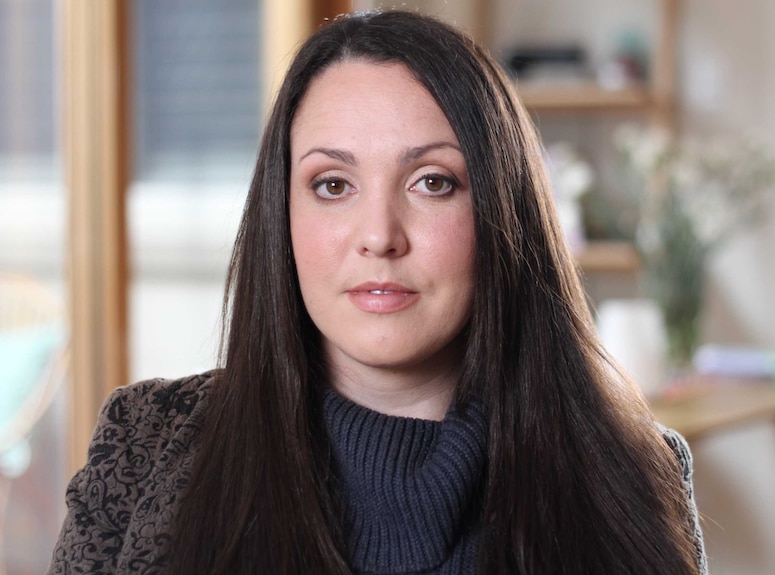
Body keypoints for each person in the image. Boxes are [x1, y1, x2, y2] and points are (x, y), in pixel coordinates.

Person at [50, 9, 707, 575]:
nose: (379, 237)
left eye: (432, 181)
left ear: (504, 214)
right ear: (282, 216)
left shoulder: (633, 476)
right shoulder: (143, 445)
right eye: (333, 185)